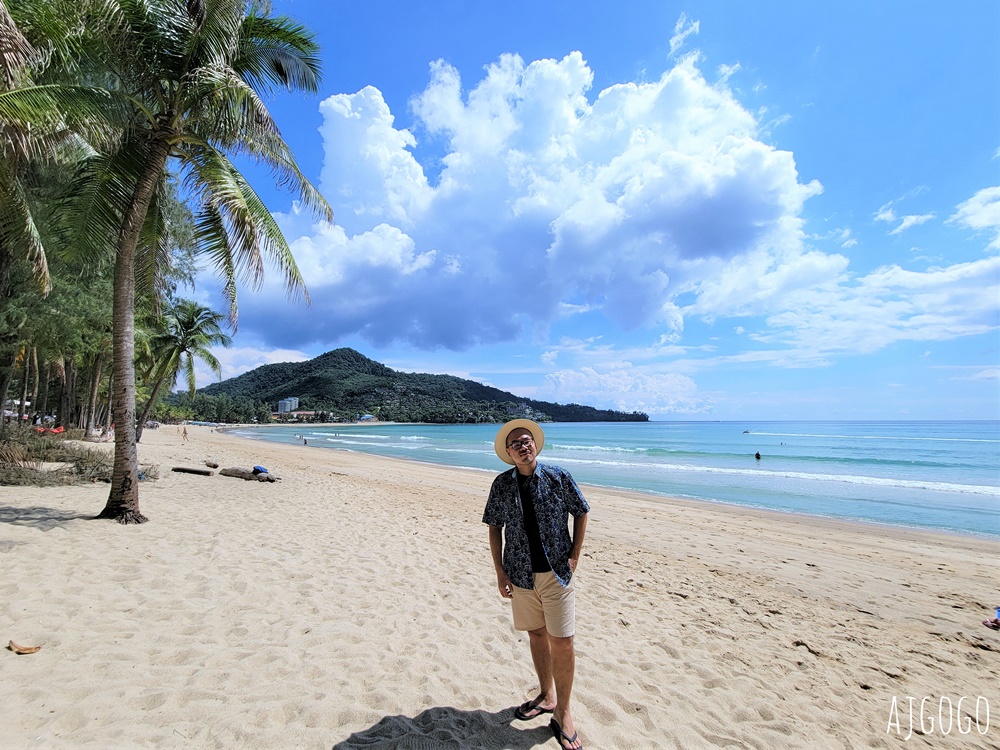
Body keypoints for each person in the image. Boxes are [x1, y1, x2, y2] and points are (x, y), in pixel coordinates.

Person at [483, 419, 589, 750]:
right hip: (520, 574)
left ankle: (564, 713)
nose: (522, 446)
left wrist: (574, 554)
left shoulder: (559, 477)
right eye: (516, 444)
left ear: (535, 445)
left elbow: (581, 511)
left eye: (527, 441)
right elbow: (494, 526)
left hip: (556, 574)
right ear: (508, 452)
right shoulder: (501, 485)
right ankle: (546, 695)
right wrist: (499, 571)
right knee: (537, 635)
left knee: (564, 642)